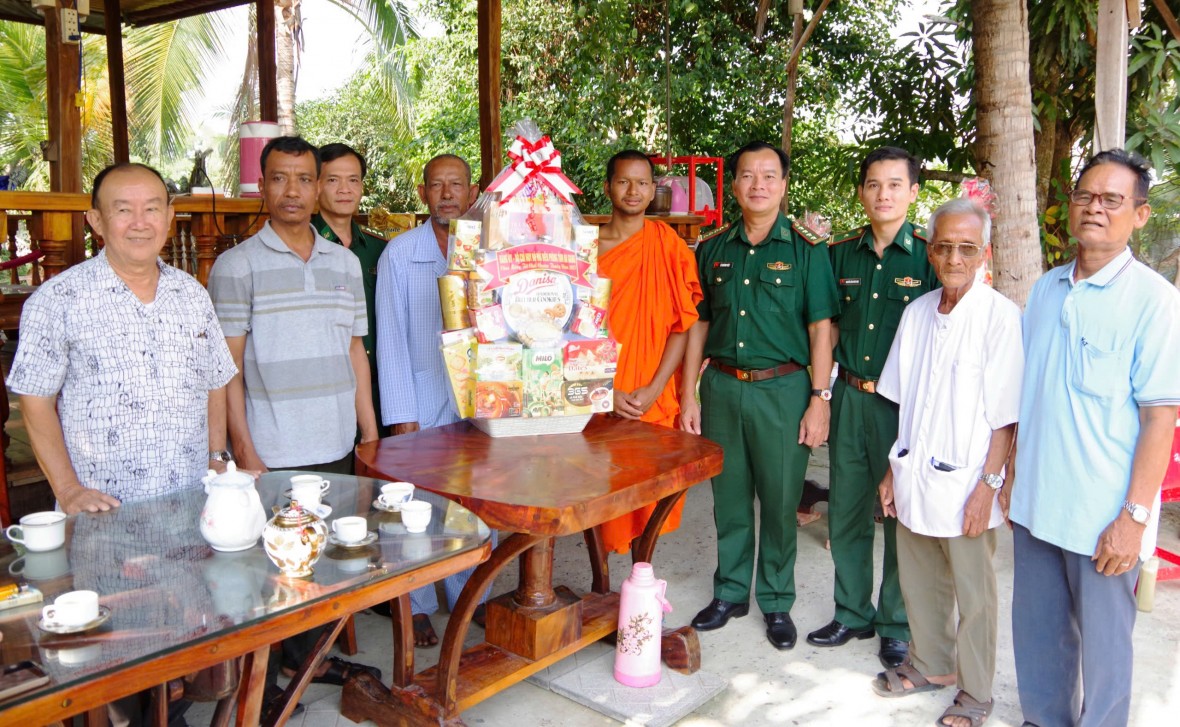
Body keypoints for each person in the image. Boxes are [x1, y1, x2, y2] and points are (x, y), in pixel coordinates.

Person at [7, 162, 237, 726]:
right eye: (123, 209)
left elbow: (215, 381)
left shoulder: (191, 294)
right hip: (107, 521)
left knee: (185, 638)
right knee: (115, 654)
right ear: (96, 220)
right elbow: (35, 400)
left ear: (170, 216)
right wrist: (68, 489)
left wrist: (217, 458)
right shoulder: (58, 300)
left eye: (152, 207)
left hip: (187, 509)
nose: (140, 222)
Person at [1009, 149, 1180, 727]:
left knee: (1106, 653)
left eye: (1112, 200)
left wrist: (1134, 518)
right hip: (1036, 504)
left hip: (1103, 517)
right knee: (1038, 637)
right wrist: (1010, 478)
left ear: (1140, 214)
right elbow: (1030, 396)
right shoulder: (1046, 290)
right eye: (1085, 196)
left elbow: (1160, 418)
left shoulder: (1155, 302)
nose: (1095, 208)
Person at [207, 136, 380, 692]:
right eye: (280, 178)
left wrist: (369, 433)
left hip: (337, 440)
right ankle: (267, 678)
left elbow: (355, 351)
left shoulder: (345, 263)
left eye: (305, 179)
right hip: (273, 449)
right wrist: (243, 449)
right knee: (277, 567)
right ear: (262, 185)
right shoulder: (237, 266)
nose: (293, 191)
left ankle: (311, 663)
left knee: (328, 559)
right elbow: (226, 368)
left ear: (318, 186)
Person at [680, 141, 839, 650]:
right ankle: (730, 592)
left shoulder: (807, 250)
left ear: (784, 184)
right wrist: (688, 395)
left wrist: (819, 398)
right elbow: (699, 325)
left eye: (769, 176)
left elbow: (821, 329)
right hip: (723, 387)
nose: (758, 185)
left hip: (784, 390)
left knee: (780, 499)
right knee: (728, 499)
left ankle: (775, 600)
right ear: (734, 185)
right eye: (748, 175)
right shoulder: (713, 248)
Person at [872, 198, 1022, 727]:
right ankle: (931, 664)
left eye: (966, 248)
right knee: (920, 576)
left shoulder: (1000, 317)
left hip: (968, 482)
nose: (955, 258)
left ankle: (976, 692)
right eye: (944, 247)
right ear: (930, 252)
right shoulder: (917, 313)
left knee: (974, 593)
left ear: (985, 253)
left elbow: (1006, 418)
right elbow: (906, 400)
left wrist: (988, 486)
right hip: (914, 471)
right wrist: (892, 469)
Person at [808, 146, 935, 669]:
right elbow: (827, 328)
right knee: (847, 510)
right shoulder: (839, 253)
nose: (884, 194)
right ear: (861, 191)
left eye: (895, 184)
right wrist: (821, 395)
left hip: (904, 408)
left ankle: (896, 624)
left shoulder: (930, 255)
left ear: (913, 192)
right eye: (874, 184)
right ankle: (852, 612)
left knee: (901, 515)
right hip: (850, 397)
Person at [374, 153, 493, 647]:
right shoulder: (400, 253)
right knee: (416, 505)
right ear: (423, 193)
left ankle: (472, 594)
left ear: (472, 193)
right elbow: (390, 339)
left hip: (477, 396)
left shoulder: (489, 250)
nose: (447, 194)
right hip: (422, 394)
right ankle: (418, 602)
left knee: (474, 497)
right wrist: (401, 416)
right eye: (437, 185)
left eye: (456, 184)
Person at [595, 150, 703, 553]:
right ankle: (604, 580)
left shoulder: (667, 245)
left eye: (642, 183)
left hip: (651, 393)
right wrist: (603, 391)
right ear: (608, 187)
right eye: (623, 181)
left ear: (653, 189)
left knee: (651, 498)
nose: (633, 190)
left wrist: (657, 388)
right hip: (602, 391)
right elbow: (571, 332)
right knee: (603, 499)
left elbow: (681, 325)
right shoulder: (588, 249)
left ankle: (642, 576)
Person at [312, 142, 388, 432]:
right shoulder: (304, 247)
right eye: (333, 180)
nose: (345, 189)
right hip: (326, 391)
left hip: (377, 389)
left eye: (353, 180)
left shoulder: (380, 250)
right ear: (316, 186)